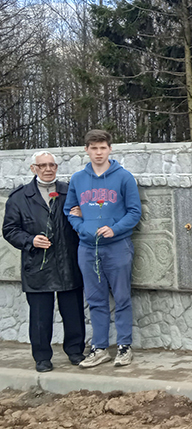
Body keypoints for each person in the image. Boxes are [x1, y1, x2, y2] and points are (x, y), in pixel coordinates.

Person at [64, 129, 142, 368]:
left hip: (117, 246)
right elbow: (69, 210)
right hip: (88, 248)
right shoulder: (78, 179)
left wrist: (115, 229)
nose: (98, 153)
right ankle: (99, 348)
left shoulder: (124, 177)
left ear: (110, 149)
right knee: (95, 299)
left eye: (103, 148)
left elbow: (134, 212)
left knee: (121, 297)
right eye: (94, 148)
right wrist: (82, 228)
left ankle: (124, 346)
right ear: (86, 150)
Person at [2, 152, 86, 372]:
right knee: (40, 315)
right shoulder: (20, 197)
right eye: (42, 165)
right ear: (33, 168)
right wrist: (30, 240)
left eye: (52, 165)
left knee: (73, 311)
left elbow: (85, 220)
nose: (48, 169)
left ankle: (75, 351)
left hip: (67, 262)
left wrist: (82, 213)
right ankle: (42, 357)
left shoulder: (70, 192)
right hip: (37, 264)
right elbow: (9, 230)